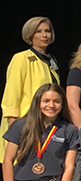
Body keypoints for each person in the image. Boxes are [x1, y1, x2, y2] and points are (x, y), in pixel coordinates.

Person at [1, 17, 61, 166]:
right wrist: (13, 125)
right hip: (25, 122)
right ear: (30, 35)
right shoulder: (21, 58)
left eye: (47, 31)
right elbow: (11, 93)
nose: (44, 35)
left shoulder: (49, 62)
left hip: (45, 123)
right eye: (39, 31)